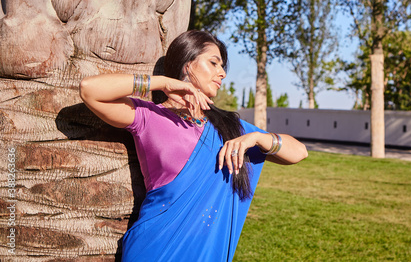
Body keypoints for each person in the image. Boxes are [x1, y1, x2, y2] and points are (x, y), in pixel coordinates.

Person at [79, 30, 308, 261]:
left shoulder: (231, 128)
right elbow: (90, 90)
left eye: (222, 66)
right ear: (188, 65)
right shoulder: (149, 116)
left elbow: (299, 152)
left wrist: (258, 138)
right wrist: (162, 83)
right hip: (153, 249)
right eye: (214, 63)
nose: (223, 73)